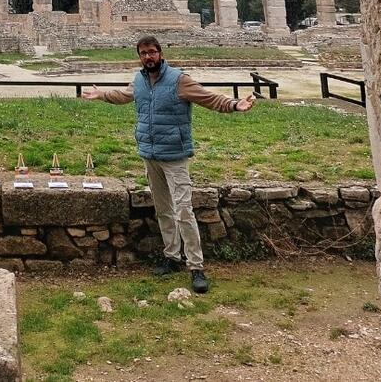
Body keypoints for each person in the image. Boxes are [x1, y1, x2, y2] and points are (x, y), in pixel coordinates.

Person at [82, 34, 256, 294]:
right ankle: (172, 257)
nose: (148, 57)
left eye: (152, 52)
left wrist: (234, 105)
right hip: (150, 155)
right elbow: (124, 95)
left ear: (160, 53)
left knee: (183, 210)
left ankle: (196, 267)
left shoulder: (178, 80)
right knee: (163, 210)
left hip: (175, 155)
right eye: (143, 53)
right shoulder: (139, 80)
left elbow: (207, 97)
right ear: (139, 56)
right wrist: (102, 94)